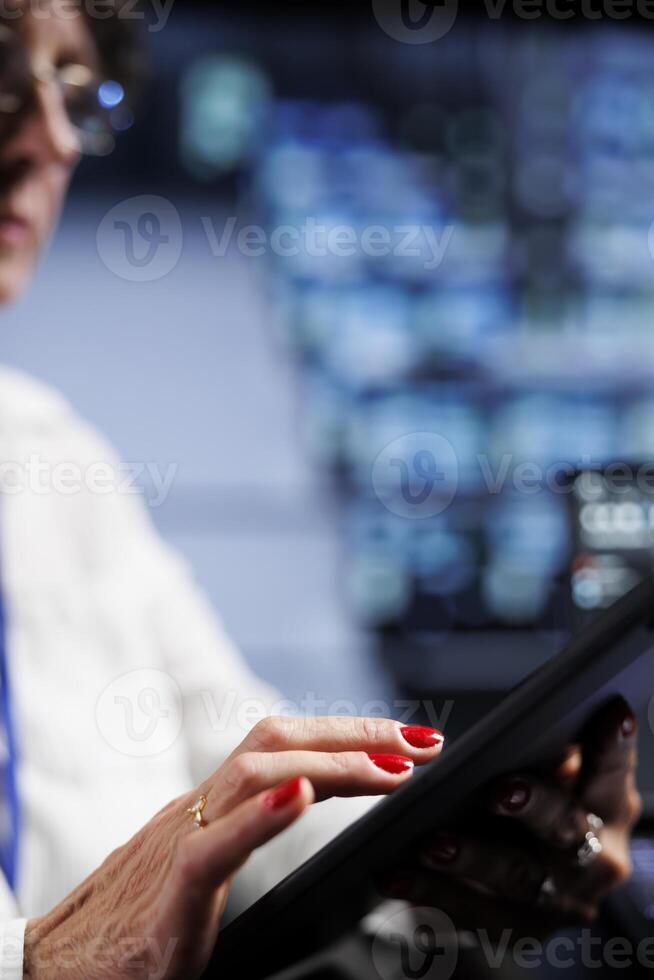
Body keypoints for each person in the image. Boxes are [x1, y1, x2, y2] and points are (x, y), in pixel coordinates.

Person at [0, 3, 641, 978]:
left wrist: (462, 862)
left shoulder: (52, 460)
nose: (46, 136)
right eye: (2, 77)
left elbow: (272, 810)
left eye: (75, 95)